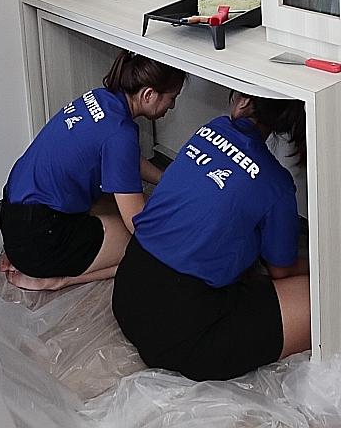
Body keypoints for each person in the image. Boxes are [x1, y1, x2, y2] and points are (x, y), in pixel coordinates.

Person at [112, 92, 308, 381]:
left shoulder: (212, 129)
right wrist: (318, 266)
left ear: (242, 101)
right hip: (182, 338)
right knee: (316, 296)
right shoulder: (277, 183)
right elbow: (282, 271)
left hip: (128, 295)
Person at [0, 51, 184, 290]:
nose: (173, 105)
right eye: (172, 98)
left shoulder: (101, 99)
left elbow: (126, 160)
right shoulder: (121, 134)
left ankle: (38, 258)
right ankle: (58, 279)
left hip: (15, 218)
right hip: (39, 238)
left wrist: (165, 179)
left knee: (145, 206)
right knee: (144, 243)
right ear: (149, 95)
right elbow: (138, 225)